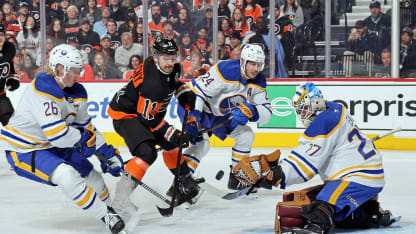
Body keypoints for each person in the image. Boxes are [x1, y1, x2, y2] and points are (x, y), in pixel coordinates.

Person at [232, 82, 397, 233]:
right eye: (299, 111)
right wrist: (278, 170)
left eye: (304, 108)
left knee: (324, 203)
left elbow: (305, 166)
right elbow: (310, 155)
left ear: (316, 102)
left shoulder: (324, 122)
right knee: (316, 198)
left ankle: (316, 227)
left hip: (359, 177)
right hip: (367, 174)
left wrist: (276, 175)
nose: (303, 115)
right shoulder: (335, 109)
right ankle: (370, 212)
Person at [0, 44, 126, 234]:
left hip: (52, 144)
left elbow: (86, 128)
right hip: (25, 149)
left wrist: (107, 153)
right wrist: (83, 141)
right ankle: (106, 216)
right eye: (75, 71)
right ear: (60, 69)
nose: (78, 75)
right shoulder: (42, 89)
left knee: (94, 178)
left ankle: (112, 211)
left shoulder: (77, 92)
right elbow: (58, 135)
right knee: (66, 175)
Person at [107, 37, 199, 211]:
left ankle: (184, 182)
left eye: (173, 58)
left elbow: (174, 82)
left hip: (144, 111)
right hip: (125, 115)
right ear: (156, 57)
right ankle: (120, 198)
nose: (170, 62)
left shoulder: (169, 67)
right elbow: (147, 119)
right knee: (147, 153)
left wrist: (183, 93)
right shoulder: (153, 85)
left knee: (171, 145)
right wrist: (174, 133)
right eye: (166, 58)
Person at [177, 44, 272, 191]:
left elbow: (267, 115)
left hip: (218, 115)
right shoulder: (225, 71)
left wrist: (253, 111)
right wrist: (194, 115)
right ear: (243, 62)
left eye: (259, 65)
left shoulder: (258, 82)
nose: (256, 69)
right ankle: (180, 184)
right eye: (252, 64)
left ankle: (238, 178)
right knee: (201, 144)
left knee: (246, 135)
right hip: (194, 105)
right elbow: (198, 93)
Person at [0, 24, 20, 126]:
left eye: (1, 35)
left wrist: (13, 80)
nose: (0, 38)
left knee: (11, 125)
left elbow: (9, 68)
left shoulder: (9, 48)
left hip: (1, 96)